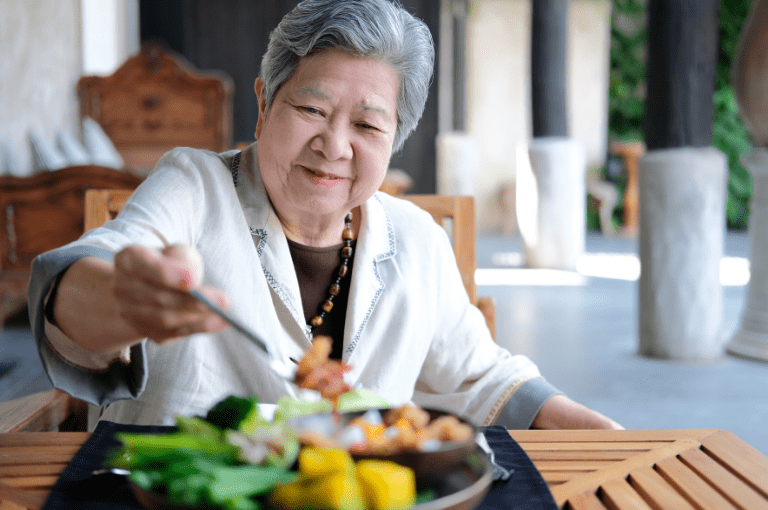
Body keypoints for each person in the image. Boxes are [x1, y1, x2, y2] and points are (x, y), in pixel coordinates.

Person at [28, 0, 621, 431]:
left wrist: (601, 435)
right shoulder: (195, 184)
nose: (335, 146)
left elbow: (483, 377)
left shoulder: (416, 239)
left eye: (367, 125)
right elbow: (83, 279)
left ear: (395, 140)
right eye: (311, 109)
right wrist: (124, 301)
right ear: (264, 104)